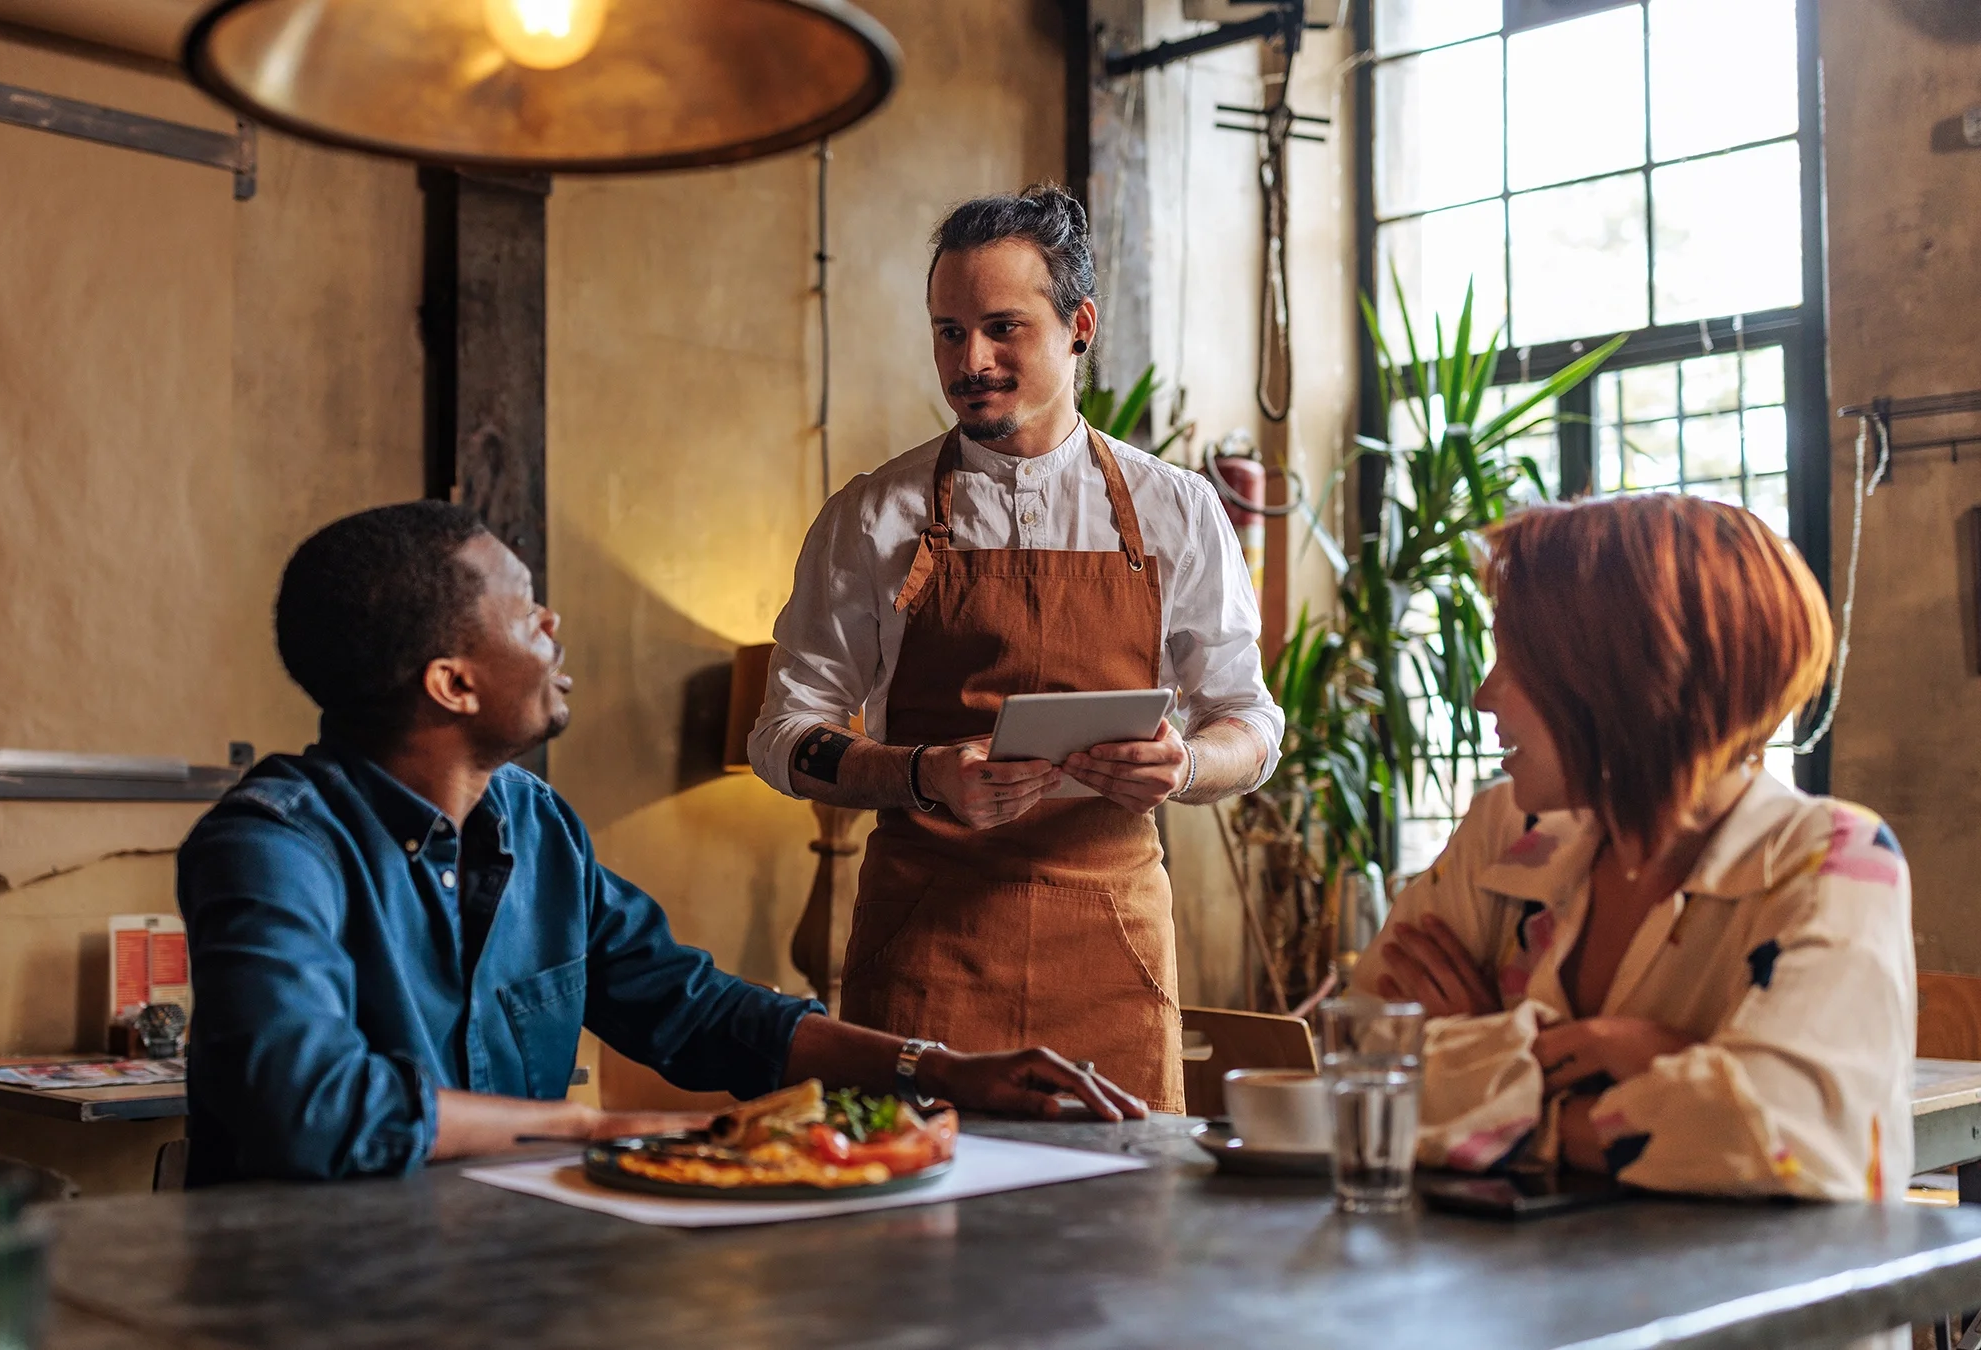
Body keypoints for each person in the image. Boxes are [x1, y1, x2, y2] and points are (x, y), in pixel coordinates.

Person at [176, 502, 1146, 1187]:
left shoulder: (538, 827)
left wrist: (937, 1070)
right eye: (524, 608)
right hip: (311, 1298)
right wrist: (598, 1128)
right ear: (453, 685)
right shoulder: (271, 845)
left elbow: (697, 1010)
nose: (552, 623)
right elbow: (310, 1109)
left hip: (504, 1279)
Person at [746, 184, 1282, 1112]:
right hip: (925, 950)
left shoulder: (1179, 510)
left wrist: (1188, 765)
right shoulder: (873, 516)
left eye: (1003, 329)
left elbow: (1251, 721)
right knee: (914, 1200)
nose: (971, 361)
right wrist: (921, 775)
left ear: (1079, 327)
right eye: (949, 332)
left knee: (1122, 1203)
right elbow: (783, 735)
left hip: (1113, 948)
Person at [1356, 493, 1912, 1200]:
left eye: (1518, 661)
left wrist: (1489, 1070)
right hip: (1518, 1270)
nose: (1484, 695)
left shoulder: (1832, 858)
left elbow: (1778, 1134)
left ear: (1623, 680)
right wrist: (1650, 1070)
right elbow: (1361, 1055)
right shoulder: (1506, 830)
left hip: (1747, 1276)